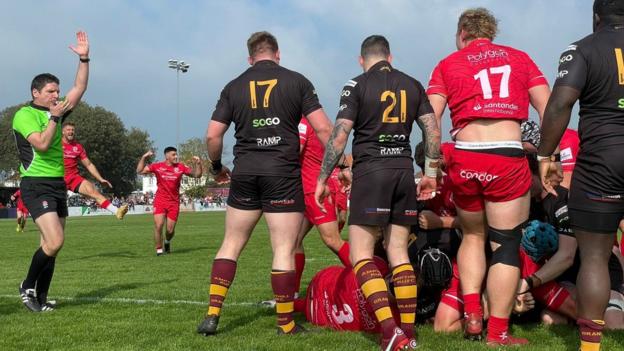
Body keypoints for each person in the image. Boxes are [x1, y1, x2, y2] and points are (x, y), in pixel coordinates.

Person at [426, 8, 550, 346]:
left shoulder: (448, 62)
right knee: (506, 243)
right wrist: (547, 156)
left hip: (465, 156)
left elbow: (429, 119)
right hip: (506, 156)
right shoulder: (520, 58)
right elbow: (549, 106)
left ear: (462, 32)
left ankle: (473, 317)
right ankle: (498, 333)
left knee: (472, 236)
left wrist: (430, 169)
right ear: (490, 32)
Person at [197, 31, 333, 336]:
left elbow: (212, 136)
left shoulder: (233, 86)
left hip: (245, 172)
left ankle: (211, 314)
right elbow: (324, 128)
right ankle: (285, 324)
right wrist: (333, 167)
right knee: (283, 248)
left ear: (250, 57)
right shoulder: (297, 81)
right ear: (278, 53)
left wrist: (218, 166)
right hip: (282, 174)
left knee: (230, 244)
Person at [315, 35, 440, 351]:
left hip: (372, 171)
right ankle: (409, 332)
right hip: (401, 172)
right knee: (398, 252)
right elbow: (432, 128)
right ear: (390, 57)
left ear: (362, 59)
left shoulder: (355, 85)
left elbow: (340, 134)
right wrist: (430, 173)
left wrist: (323, 177)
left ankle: (389, 332)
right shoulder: (412, 84)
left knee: (361, 254)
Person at [537, 2, 624, 349]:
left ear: (596, 17)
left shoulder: (582, 48)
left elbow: (560, 104)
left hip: (602, 160)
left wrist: (545, 154)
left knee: (594, 256)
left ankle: (590, 347)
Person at [12, 31, 90, 312]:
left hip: (57, 184)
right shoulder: (24, 115)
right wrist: (55, 116)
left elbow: (79, 88)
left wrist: (84, 57)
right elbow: (42, 145)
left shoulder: (55, 110)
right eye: (51, 92)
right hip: (35, 184)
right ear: (36, 93)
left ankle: (41, 299)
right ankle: (26, 286)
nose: (57, 95)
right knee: (55, 240)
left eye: (58, 91)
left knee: (51, 245)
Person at [293, 116, 351, 296]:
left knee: (332, 240)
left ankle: (371, 279)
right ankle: (291, 295)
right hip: (309, 188)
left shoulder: (302, 123)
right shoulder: (320, 123)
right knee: (293, 243)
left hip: (312, 189)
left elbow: (295, 152)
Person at [136, 147, 202, 255]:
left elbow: (197, 175)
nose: (176, 157)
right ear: (167, 156)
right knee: (158, 225)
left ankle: (167, 241)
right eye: (173, 155)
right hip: (160, 201)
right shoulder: (157, 166)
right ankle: (159, 250)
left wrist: (198, 163)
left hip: (174, 202)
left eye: (176, 155)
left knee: (170, 231)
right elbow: (139, 171)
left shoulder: (181, 167)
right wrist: (144, 157)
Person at [61, 122, 128, 219]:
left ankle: (117, 211)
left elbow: (88, 164)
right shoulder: (56, 143)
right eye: (68, 130)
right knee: (56, 216)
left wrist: (100, 179)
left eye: (72, 130)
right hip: (56, 178)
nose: (71, 132)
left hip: (73, 177)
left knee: (93, 191)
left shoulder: (78, 147)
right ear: (63, 132)